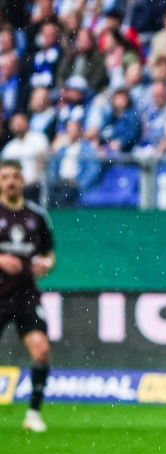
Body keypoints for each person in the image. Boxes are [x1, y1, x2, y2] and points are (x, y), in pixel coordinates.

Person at [0, 160, 55, 432]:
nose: (10, 182)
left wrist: (46, 264)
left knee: (42, 349)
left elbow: (49, 253)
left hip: (26, 296)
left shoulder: (37, 216)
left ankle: (33, 413)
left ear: (22, 181)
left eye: (15, 177)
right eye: (5, 177)